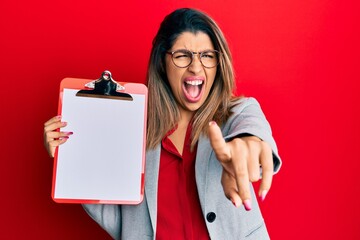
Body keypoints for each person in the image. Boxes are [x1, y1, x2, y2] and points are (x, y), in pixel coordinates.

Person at [44, 8, 281, 240]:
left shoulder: (239, 112)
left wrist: (249, 147)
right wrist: (70, 158)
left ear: (218, 64)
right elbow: (118, 220)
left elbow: (254, 135)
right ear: (162, 62)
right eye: (182, 55)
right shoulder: (133, 130)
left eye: (207, 56)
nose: (196, 67)